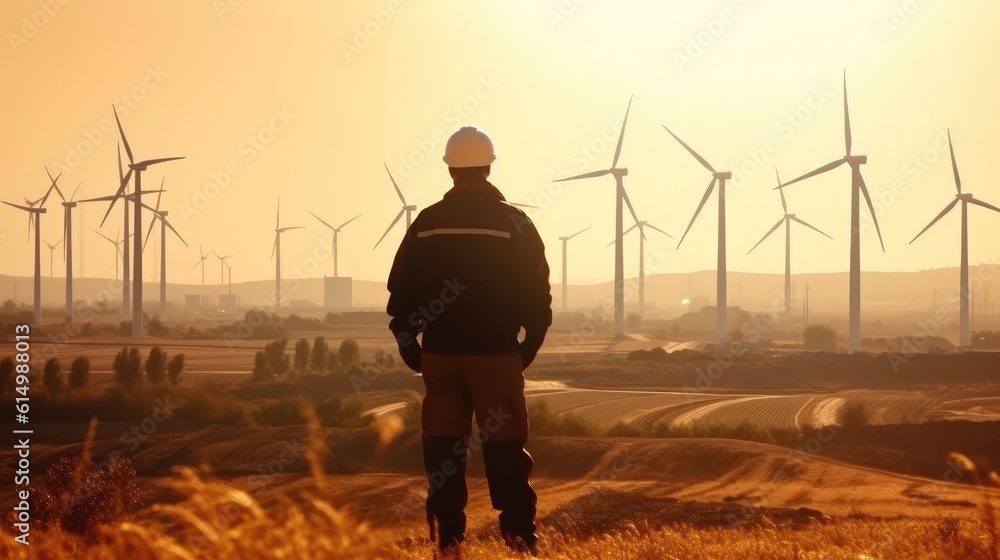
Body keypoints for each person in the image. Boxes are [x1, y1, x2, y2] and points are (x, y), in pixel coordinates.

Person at [386, 126, 552, 556]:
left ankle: (447, 544)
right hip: (496, 356)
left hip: (440, 355)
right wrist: (526, 347)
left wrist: (411, 345)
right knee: (505, 453)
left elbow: (400, 290)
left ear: (450, 169)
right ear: (489, 166)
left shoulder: (426, 223)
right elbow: (538, 292)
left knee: (443, 455)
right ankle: (520, 539)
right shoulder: (515, 222)